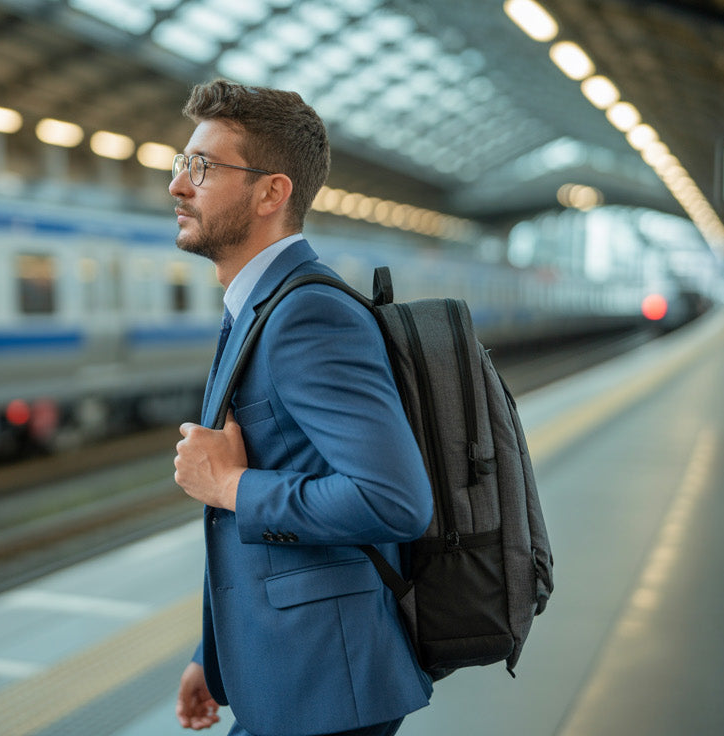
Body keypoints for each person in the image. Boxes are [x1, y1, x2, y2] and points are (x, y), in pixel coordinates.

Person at [170, 79, 434, 736]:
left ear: (271, 193)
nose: (177, 185)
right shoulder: (258, 307)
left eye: (202, 167)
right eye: (181, 163)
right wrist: (213, 653)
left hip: (325, 687)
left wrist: (229, 485)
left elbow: (394, 500)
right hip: (288, 671)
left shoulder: (306, 314)